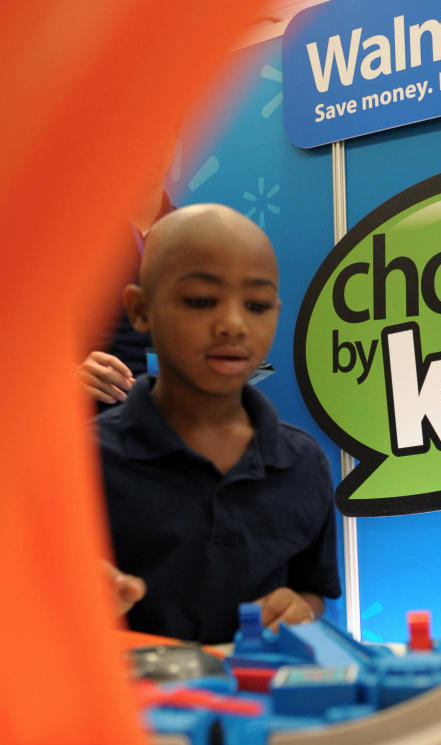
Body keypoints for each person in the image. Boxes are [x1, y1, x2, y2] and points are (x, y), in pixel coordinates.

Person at [96, 203, 341, 643]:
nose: (232, 324)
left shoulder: (303, 464)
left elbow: (313, 590)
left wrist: (300, 607)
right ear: (140, 310)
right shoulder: (82, 462)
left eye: (257, 304)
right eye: (201, 301)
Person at [80, 135, 177, 407]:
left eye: (163, 135)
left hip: (173, 427)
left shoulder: (195, 239)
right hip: (92, 423)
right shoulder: (71, 242)